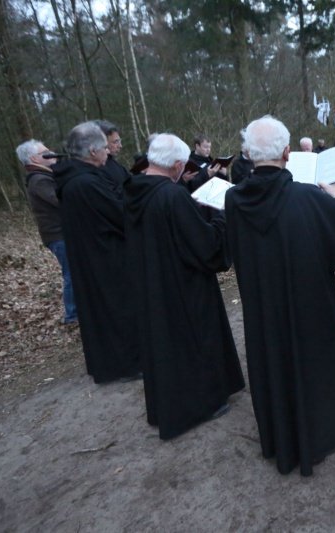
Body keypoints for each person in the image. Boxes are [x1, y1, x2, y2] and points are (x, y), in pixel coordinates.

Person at [225, 115, 335, 477]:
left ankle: (279, 438)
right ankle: (320, 437)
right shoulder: (308, 197)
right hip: (309, 305)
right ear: (287, 153)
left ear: (247, 154)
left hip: (262, 304)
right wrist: (334, 194)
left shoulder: (235, 200)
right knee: (312, 364)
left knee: (270, 361)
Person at [123, 134, 245, 440]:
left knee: (165, 347)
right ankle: (201, 405)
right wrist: (222, 218)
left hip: (152, 283)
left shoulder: (132, 189)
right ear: (177, 164)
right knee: (194, 342)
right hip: (181, 286)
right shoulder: (170, 196)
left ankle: (168, 406)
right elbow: (205, 247)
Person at [53, 122, 140, 383]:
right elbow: (120, 214)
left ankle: (115, 364)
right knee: (117, 311)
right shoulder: (85, 183)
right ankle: (125, 365)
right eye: (104, 147)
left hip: (94, 257)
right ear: (92, 151)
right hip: (105, 259)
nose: (108, 152)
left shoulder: (78, 179)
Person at [16, 139, 77, 325]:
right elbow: (60, 201)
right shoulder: (39, 180)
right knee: (72, 274)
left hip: (61, 233)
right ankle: (72, 315)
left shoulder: (45, 176)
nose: (51, 153)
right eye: (46, 152)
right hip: (58, 235)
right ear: (34, 158)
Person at [94, 120, 130, 194]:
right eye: (115, 142)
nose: (120, 146)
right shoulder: (98, 168)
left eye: (119, 141)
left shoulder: (113, 163)